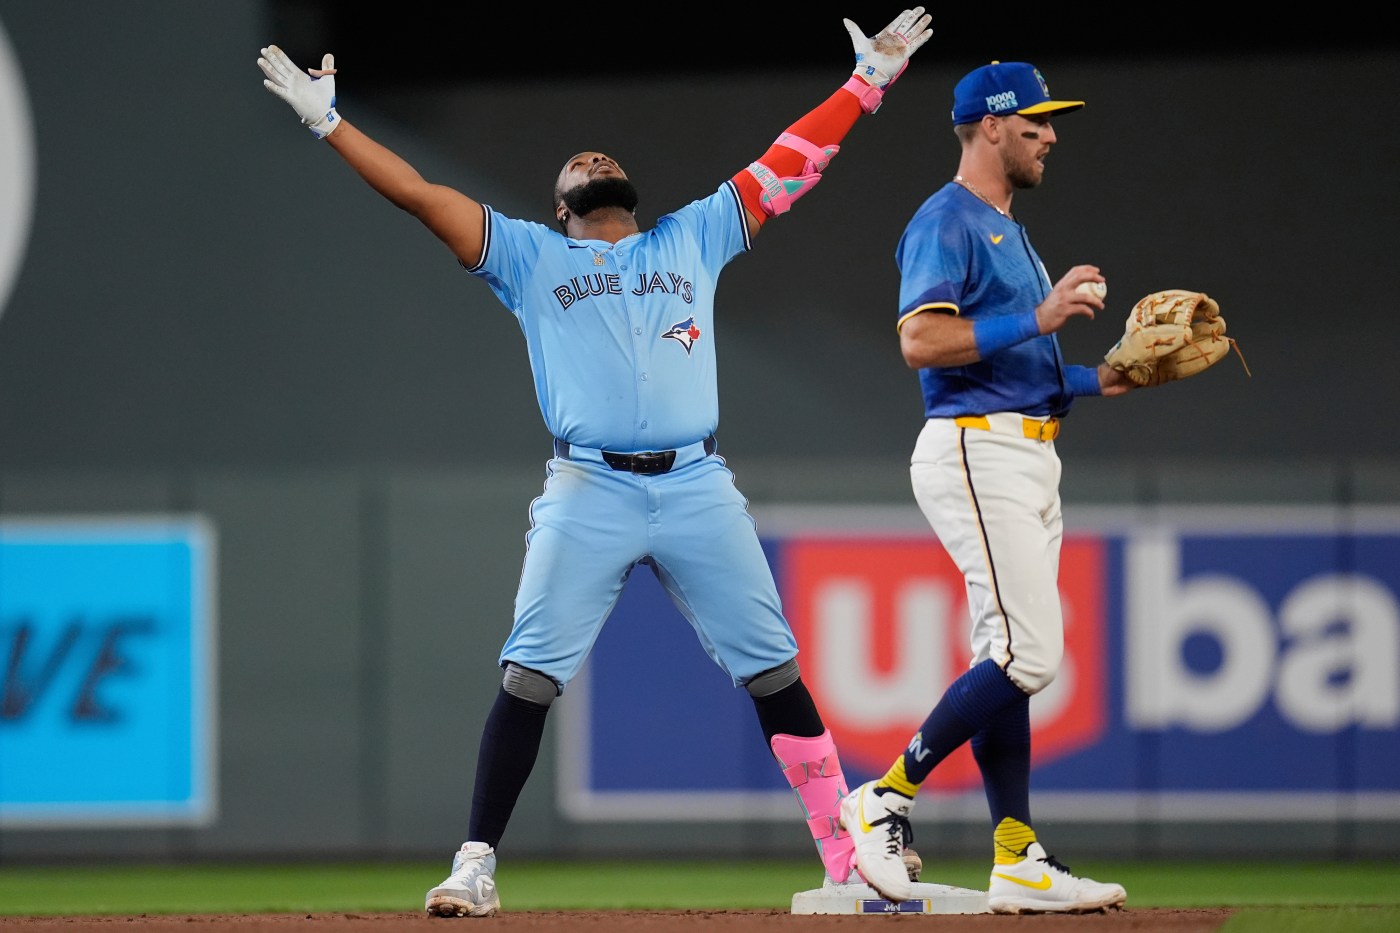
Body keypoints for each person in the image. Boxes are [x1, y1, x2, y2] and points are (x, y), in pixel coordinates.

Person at [256, 9, 933, 919]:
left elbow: (791, 162)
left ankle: (843, 857)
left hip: (695, 482)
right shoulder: (527, 255)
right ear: (561, 207)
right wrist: (330, 123)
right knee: (529, 676)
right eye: (576, 162)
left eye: (600, 157)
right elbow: (417, 192)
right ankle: (475, 863)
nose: (592, 156)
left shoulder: (692, 235)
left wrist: (866, 84)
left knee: (775, 671)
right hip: (589, 485)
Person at [837, 61, 1133, 914]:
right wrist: (1040, 316)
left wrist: (1105, 379)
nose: (1051, 135)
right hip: (976, 448)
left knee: (1006, 654)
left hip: (1027, 447)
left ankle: (1016, 855)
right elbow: (922, 343)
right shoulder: (947, 219)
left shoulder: (1007, 228)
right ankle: (884, 795)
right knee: (1029, 653)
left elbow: (1021, 367)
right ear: (992, 126)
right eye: (1036, 122)